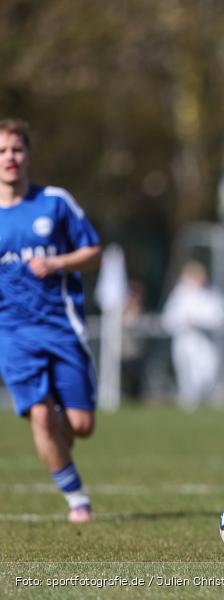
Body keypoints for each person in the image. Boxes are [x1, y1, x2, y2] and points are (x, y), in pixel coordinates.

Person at [0, 118, 102, 524]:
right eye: (3, 151)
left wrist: (58, 262)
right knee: (41, 415)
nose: (10, 158)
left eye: (17, 150)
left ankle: (58, 425)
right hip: (12, 333)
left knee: (81, 425)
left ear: (29, 155)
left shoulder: (54, 202)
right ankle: (77, 498)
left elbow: (94, 250)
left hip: (62, 326)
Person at [161, 261, 224, 409]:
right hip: (185, 340)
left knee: (208, 372)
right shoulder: (179, 294)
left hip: (205, 342)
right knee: (186, 373)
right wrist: (184, 322)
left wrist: (200, 322)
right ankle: (189, 404)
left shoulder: (211, 294)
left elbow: (218, 317)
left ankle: (204, 399)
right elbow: (168, 319)